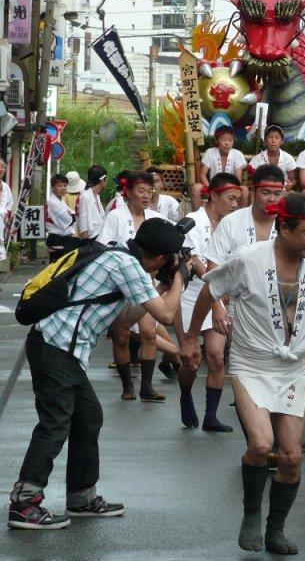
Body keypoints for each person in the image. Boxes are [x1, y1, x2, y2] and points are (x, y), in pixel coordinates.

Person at [180, 193, 305, 555]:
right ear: (283, 228)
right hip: (251, 365)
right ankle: (251, 512)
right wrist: (192, 338)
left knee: (292, 456)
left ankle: (276, 529)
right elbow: (210, 289)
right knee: (261, 444)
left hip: (291, 369)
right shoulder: (248, 260)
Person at [8, 218, 189, 529]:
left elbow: (126, 317)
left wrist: (160, 286)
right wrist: (180, 280)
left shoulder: (120, 257)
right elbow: (168, 314)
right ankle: (25, 502)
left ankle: (81, 496)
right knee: (55, 423)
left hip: (61, 348)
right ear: (160, 258)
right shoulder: (125, 264)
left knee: (88, 417)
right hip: (56, 346)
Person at [173, 172, 242, 431]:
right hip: (191, 296)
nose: (235, 204)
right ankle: (185, 394)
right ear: (213, 195)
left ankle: (211, 416)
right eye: (231, 198)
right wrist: (216, 293)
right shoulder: (192, 221)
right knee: (191, 361)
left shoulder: (234, 225)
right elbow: (195, 262)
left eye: (238, 200)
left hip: (220, 295)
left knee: (216, 357)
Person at [98, 171, 171, 401]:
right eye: (141, 191)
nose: (146, 196)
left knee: (149, 333)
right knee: (122, 335)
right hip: (121, 285)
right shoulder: (116, 216)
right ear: (127, 192)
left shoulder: (155, 218)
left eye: (149, 191)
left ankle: (146, 385)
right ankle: (127, 384)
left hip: (147, 282)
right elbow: (103, 245)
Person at [192, 126, 247, 210]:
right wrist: (210, 188)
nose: (227, 143)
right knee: (196, 187)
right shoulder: (210, 152)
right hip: (212, 187)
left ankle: (239, 218)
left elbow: (238, 180)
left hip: (232, 188)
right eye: (224, 139)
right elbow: (202, 175)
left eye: (230, 140)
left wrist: (230, 190)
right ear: (216, 141)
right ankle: (199, 218)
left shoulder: (237, 154)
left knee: (245, 190)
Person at [247, 124, 297, 189]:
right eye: (270, 137)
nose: (273, 141)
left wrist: (290, 184)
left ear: (282, 141)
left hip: (283, 190)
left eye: (277, 137)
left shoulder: (288, 158)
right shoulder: (257, 158)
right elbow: (252, 179)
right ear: (265, 141)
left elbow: (292, 180)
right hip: (263, 191)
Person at [45, 174, 79, 262]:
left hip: (63, 238)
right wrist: (72, 215)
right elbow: (69, 220)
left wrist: (72, 215)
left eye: (65, 185)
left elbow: (72, 214)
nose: (63, 188)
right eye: (59, 186)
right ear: (52, 188)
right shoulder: (53, 202)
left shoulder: (60, 201)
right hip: (57, 238)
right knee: (58, 268)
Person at [77, 165, 108, 242]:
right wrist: (86, 245)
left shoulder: (96, 196)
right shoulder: (85, 196)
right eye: (106, 179)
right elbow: (83, 224)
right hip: (90, 239)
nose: (106, 182)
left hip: (99, 238)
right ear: (102, 181)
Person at [0, 157, 14, 261]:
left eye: (3, 167)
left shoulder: (5, 187)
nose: (1, 169)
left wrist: (6, 215)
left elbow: (10, 203)